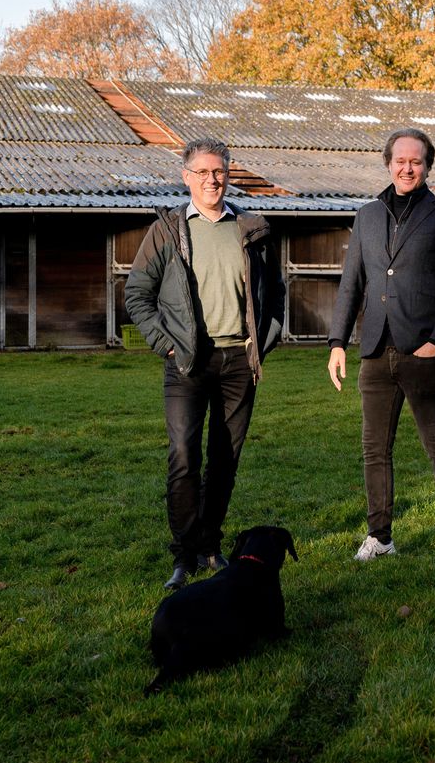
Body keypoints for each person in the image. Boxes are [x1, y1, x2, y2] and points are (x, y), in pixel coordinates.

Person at [125, 138, 285, 590]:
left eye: (219, 171)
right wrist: (166, 344)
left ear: (228, 175)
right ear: (186, 177)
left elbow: (275, 292)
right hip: (188, 363)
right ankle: (184, 554)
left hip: (239, 362)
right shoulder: (169, 231)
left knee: (224, 460)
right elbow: (137, 294)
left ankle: (210, 546)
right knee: (183, 457)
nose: (211, 179)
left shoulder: (250, 229)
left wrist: (263, 343)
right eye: (202, 172)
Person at [327, 127, 435, 573]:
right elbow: (352, 283)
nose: (407, 167)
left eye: (416, 161)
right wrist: (338, 342)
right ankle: (380, 536)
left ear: (427, 166)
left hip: (424, 352)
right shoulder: (367, 216)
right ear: (388, 163)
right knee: (375, 449)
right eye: (400, 160)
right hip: (374, 351)